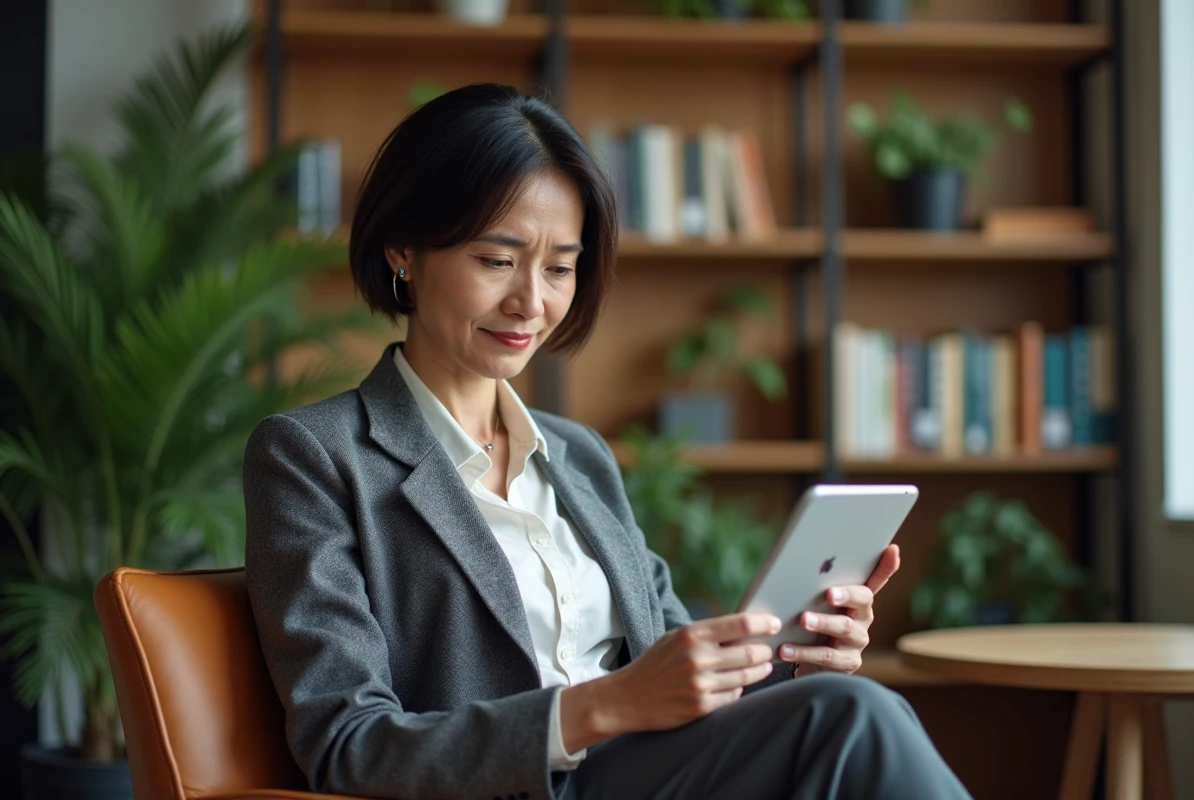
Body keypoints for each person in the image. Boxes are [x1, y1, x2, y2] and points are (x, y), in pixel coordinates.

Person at [242, 82, 971, 800]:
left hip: (650, 775)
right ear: (404, 250)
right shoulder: (314, 457)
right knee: (854, 721)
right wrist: (603, 707)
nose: (533, 301)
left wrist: (795, 660)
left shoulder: (577, 454)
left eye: (560, 267)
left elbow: (678, 670)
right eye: (497, 261)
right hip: (518, 788)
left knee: (846, 707)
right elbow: (346, 746)